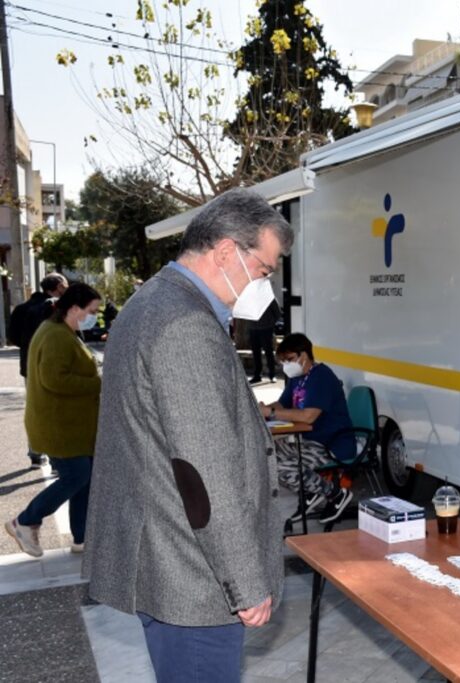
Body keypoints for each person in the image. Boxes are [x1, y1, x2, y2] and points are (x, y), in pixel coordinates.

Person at [83, 189, 292, 682]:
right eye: (264, 269)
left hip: (163, 561)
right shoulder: (186, 325)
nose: (265, 283)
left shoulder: (149, 302)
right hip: (194, 579)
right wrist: (245, 582)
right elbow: (204, 471)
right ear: (226, 253)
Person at [5, 283, 101, 557]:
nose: (93, 316)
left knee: (85, 477)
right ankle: (25, 521)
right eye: (91, 310)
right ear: (74, 308)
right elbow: (55, 379)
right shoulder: (56, 335)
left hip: (69, 426)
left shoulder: (59, 331)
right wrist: (98, 383)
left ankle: (82, 538)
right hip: (61, 427)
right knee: (78, 476)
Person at [259, 333, 356, 525]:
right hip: (308, 440)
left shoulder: (322, 377)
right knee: (264, 456)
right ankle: (312, 490)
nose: (286, 365)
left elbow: (308, 416)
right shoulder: (298, 378)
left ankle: (335, 494)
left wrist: (270, 412)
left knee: (280, 467)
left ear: (304, 356)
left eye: (289, 359)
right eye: (283, 361)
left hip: (330, 444)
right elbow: (281, 404)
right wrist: (260, 410)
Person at [8, 272, 68, 469]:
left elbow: (13, 336)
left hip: (28, 365)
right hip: (54, 365)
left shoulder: (22, 308)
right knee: (56, 410)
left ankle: (35, 453)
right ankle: (55, 456)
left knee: (35, 408)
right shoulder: (55, 307)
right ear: (58, 286)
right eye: (65, 285)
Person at [248, 297, 281, 383]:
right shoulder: (250, 296)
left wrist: (270, 323)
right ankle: (257, 375)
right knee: (255, 353)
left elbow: (277, 313)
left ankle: (272, 374)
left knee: (268, 352)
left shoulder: (269, 296)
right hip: (253, 328)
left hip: (266, 328)